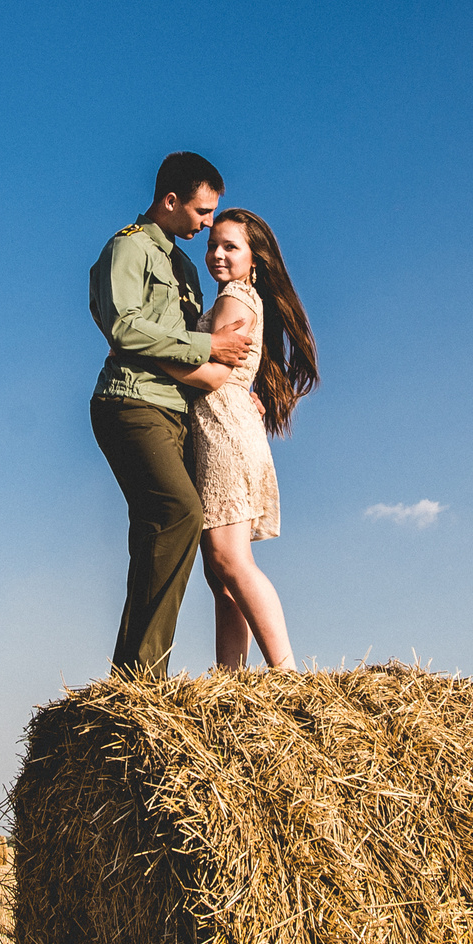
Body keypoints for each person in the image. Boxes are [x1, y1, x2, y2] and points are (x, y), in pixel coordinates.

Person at [89, 153, 253, 677]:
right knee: (180, 513)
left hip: (176, 412)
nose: (208, 223)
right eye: (204, 212)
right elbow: (124, 328)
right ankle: (142, 676)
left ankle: (132, 675)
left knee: (158, 534)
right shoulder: (127, 248)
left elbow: (202, 350)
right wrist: (205, 344)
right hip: (130, 402)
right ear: (171, 201)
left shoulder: (183, 266)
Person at [160, 209, 319, 670]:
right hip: (223, 429)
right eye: (213, 245)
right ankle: (231, 679)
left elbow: (213, 376)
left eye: (231, 246)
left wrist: (145, 354)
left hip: (225, 432)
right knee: (220, 572)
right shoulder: (236, 298)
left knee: (230, 560)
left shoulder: (236, 296)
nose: (217, 254)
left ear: (255, 258)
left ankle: (286, 673)